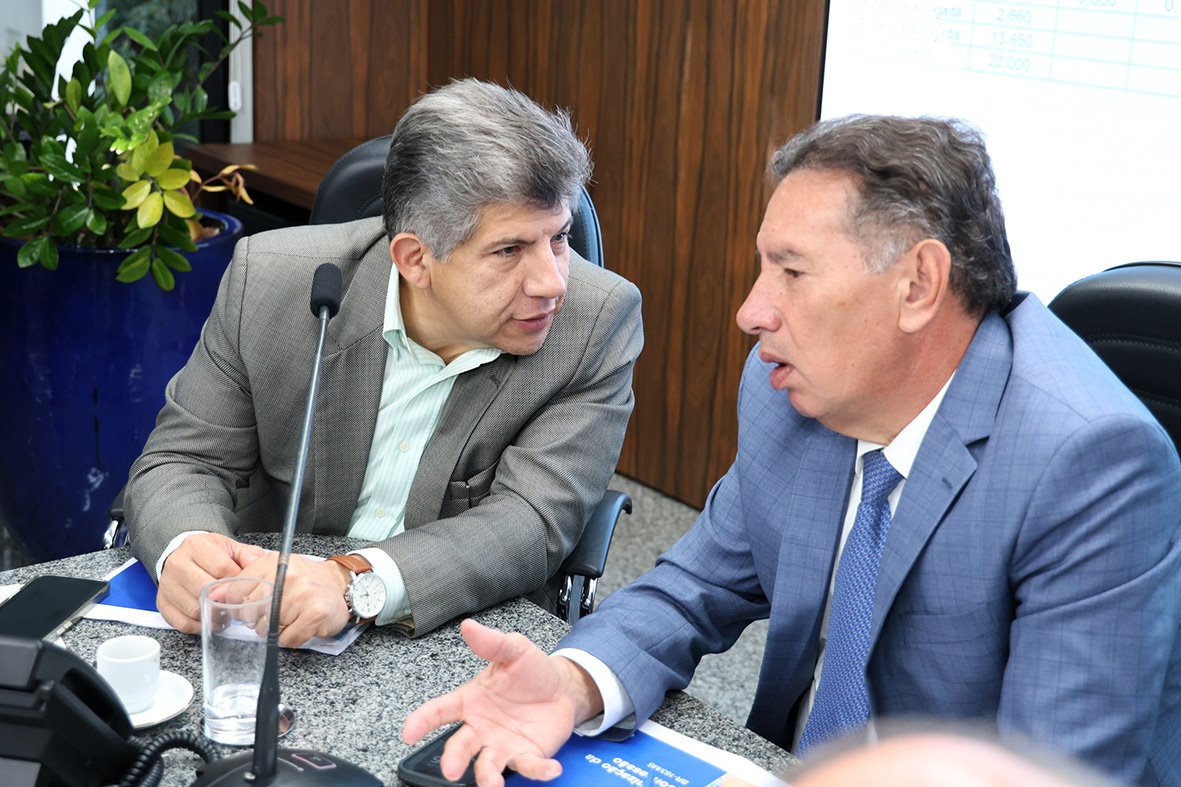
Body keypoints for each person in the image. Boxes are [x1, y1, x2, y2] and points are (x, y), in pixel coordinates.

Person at [402, 115, 1181, 787]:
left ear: (917, 284)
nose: (751, 311)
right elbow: (695, 584)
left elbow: (1051, 772)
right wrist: (572, 682)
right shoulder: (793, 388)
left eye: (792, 271)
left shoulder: (1089, 464)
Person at [125, 79, 643, 648]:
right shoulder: (270, 282)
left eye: (560, 237)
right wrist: (188, 547)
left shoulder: (596, 323)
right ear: (415, 259)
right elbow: (183, 459)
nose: (552, 282)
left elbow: (530, 522)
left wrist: (353, 583)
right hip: (261, 619)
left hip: (457, 629)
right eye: (509, 250)